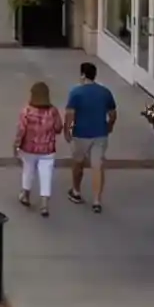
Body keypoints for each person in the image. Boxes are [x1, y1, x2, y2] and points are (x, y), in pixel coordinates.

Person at [65, 61, 119, 214]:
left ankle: (76, 191)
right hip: (100, 134)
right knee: (97, 167)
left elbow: (70, 115)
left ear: (82, 75)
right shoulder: (105, 92)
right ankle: (96, 200)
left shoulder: (76, 92)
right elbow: (113, 114)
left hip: (80, 134)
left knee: (78, 163)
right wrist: (109, 126)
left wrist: (66, 131)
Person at [15, 80, 64, 216]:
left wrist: (16, 145)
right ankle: (44, 205)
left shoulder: (26, 111)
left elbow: (21, 130)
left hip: (28, 148)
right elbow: (59, 128)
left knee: (28, 170)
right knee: (46, 174)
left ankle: (25, 195)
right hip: (48, 149)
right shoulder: (53, 111)